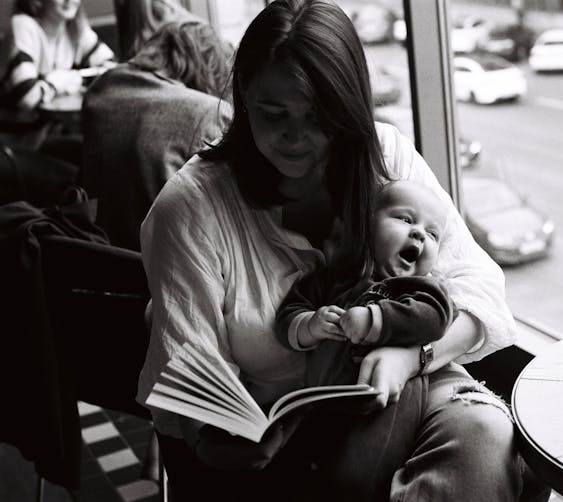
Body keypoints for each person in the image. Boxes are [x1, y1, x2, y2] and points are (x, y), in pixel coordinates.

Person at [136, 1, 522, 501]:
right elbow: (191, 374)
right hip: (285, 427)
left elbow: (480, 290)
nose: (296, 137)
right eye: (273, 114)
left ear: (348, 107)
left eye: (318, 116)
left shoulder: (385, 155)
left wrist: (411, 355)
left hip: (412, 385)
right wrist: (221, 441)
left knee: (484, 440)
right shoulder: (192, 206)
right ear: (243, 98)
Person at [276, 179, 454, 388]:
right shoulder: (335, 276)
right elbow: (287, 316)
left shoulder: (421, 289)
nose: (419, 233)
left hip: (390, 402)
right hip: (321, 401)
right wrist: (310, 325)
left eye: (433, 234)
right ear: (368, 224)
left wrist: (374, 320)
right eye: (405, 219)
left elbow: (435, 318)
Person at [81, 20, 233, 250]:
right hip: (173, 261)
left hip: (102, 253)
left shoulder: (101, 89)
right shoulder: (208, 111)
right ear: (210, 66)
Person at [0, 0, 114, 110]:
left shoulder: (75, 28)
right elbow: (26, 97)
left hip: (57, 126)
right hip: (19, 128)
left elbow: (112, 71)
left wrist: (73, 79)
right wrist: (56, 83)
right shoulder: (22, 24)